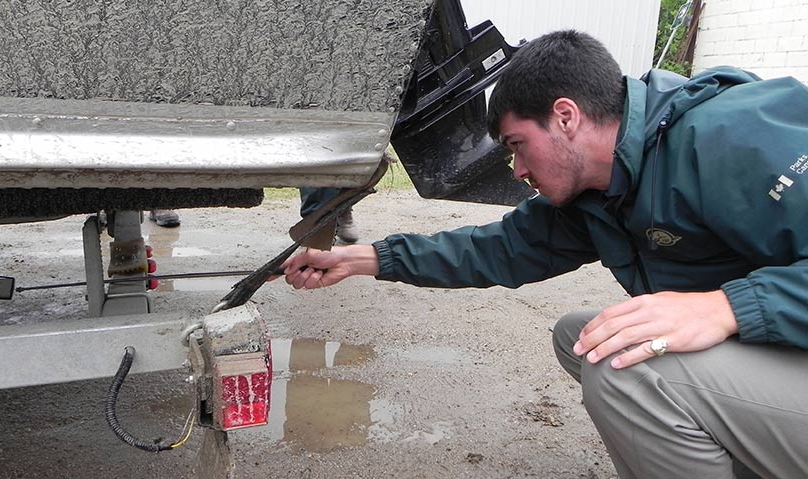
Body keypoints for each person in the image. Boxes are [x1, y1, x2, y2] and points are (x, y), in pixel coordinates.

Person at [280, 30, 808, 478]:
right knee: (586, 338)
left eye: (516, 145)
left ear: (565, 117)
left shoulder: (731, 135)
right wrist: (367, 259)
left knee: (627, 370)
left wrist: (726, 308)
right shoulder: (604, 188)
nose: (516, 171)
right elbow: (505, 248)